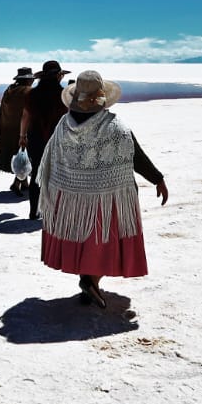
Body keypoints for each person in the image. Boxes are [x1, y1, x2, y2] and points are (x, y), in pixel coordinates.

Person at [36, 70, 168, 308]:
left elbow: (52, 158)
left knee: (81, 237)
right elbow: (135, 156)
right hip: (107, 197)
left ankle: (88, 282)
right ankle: (91, 281)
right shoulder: (114, 127)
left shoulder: (63, 125)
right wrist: (157, 178)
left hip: (69, 196)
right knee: (101, 241)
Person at [19, 60, 70, 221]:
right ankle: (55, 211)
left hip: (36, 138)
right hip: (58, 140)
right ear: (57, 76)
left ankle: (34, 211)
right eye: (60, 75)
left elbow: (25, 117)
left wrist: (22, 136)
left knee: (36, 173)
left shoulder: (32, 94)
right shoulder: (64, 95)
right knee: (57, 174)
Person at [0, 67, 36, 195]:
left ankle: (23, 183)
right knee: (24, 156)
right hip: (22, 130)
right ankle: (17, 183)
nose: (33, 81)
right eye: (31, 79)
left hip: (8, 130)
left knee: (20, 156)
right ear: (28, 80)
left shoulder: (9, 91)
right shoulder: (27, 92)